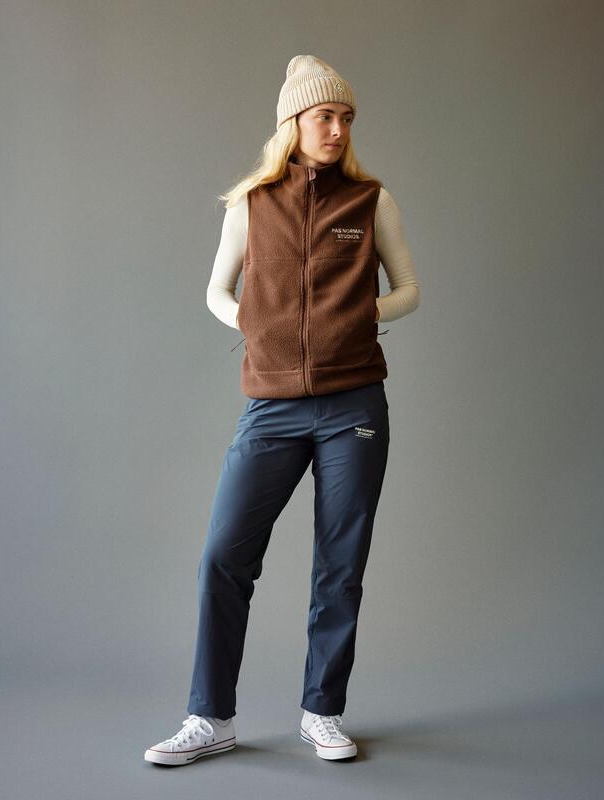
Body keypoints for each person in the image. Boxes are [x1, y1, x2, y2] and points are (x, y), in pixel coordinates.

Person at [144, 54, 420, 767]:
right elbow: (216, 291)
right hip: (271, 407)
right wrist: (255, 325)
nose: (338, 129)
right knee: (224, 557)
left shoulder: (372, 201)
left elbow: (409, 290)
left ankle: (322, 712)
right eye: (325, 116)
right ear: (292, 122)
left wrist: (363, 315)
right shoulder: (250, 204)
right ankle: (210, 717)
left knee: (340, 564)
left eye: (346, 118)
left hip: (354, 403)